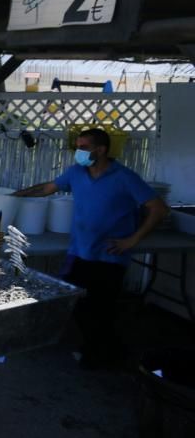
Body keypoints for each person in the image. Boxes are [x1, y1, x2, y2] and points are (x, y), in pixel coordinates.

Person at [15, 127, 168, 369]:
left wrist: (132, 240)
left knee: (101, 308)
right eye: (78, 146)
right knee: (78, 304)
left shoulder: (125, 177)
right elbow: (48, 188)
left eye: (84, 147)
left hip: (109, 256)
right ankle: (103, 351)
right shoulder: (76, 172)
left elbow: (158, 208)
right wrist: (15, 195)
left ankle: (103, 357)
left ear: (101, 150)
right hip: (80, 251)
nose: (79, 151)